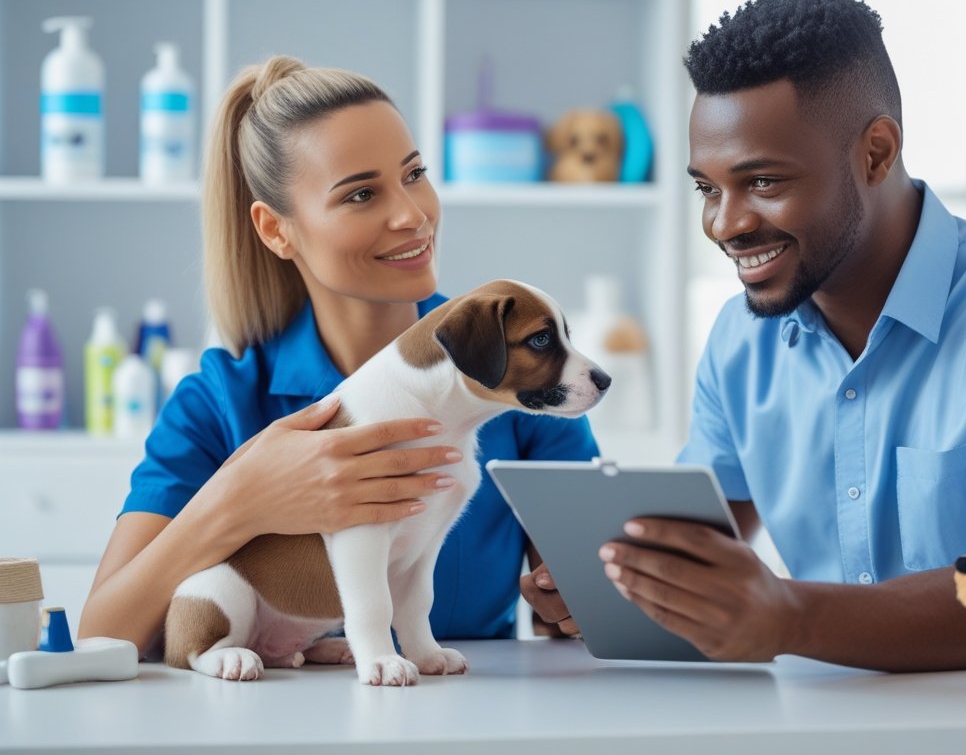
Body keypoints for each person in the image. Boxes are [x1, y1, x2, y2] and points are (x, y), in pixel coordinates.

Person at [522, 0, 966, 672]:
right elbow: (693, 549)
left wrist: (788, 616)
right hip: (820, 723)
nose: (725, 224)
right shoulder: (740, 340)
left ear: (875, 153)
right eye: (708, 189)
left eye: (765, 183)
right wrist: (620, 588)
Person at [79, 56, 598, 656]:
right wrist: (239, 498)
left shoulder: (512, 368)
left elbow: (574, 601)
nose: (412, 214)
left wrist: (571, 604)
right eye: (360, 194)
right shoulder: (218, 404)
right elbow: (101, 637)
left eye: (414, 174)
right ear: (277, 230)